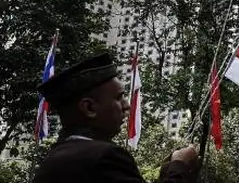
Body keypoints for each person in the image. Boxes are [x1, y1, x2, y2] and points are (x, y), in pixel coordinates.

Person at [33, 53, 199, 183]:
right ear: (89, 108)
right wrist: (180, 165)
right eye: (119, 98)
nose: (127, 106)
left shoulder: (52, 160)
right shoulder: (105, 157)